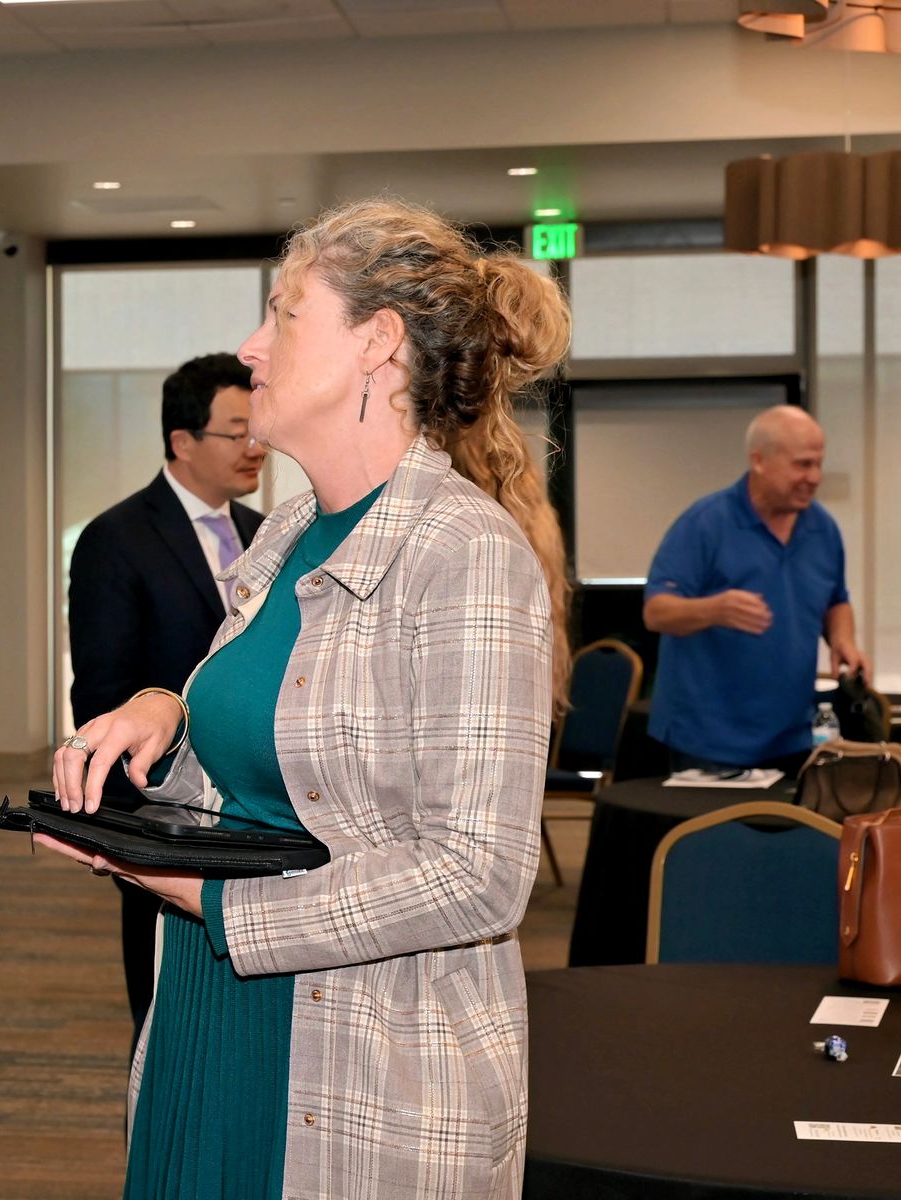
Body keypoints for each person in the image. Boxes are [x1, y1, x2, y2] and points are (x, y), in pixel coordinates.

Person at [43, 198, 568, 1198]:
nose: (251, 347)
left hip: (361, 1054)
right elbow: (251, 761)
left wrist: (217, 903)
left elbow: (480, 874)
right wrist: (165, 711)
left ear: (377, 343)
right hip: (206, 1014)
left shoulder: (465, 550)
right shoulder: (284, 534)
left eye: (283, 315)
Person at [66, 352, 266, 1041]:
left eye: (257, 428)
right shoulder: (115, 539)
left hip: (260, 820)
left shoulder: (269, 534)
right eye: (236, 432)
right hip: (164, 821)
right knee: (165, 1021)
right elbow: (102, 694)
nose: (256, 445)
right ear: (183, 441)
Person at [643, 404, 868, 775]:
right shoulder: (704, 523)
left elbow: (836, 601)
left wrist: (843, 640)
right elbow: (656, 612)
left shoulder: (823, 529)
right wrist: (714, 609)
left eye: (818, 464)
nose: (814, 477)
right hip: (708, 739)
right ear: (759, 460)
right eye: (802, 464)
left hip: (794, 736)